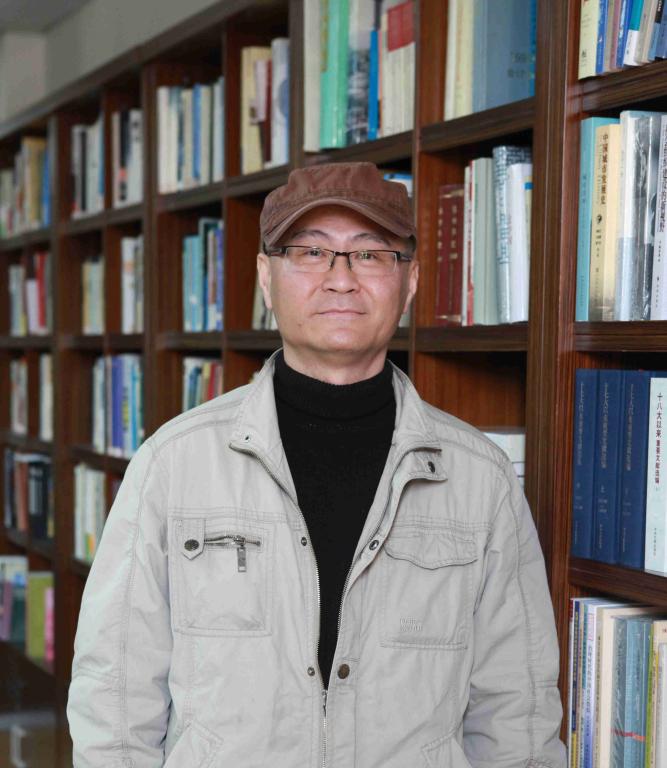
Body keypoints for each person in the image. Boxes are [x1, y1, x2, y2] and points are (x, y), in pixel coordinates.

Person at [67, 161, 567, 767]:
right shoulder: (173, 464)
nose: (340, 279)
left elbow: (518, 714)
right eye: (310, 252)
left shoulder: (481, 479)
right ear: (265, 277)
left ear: (409, 281)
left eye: (371, 254)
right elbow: (114, 698)